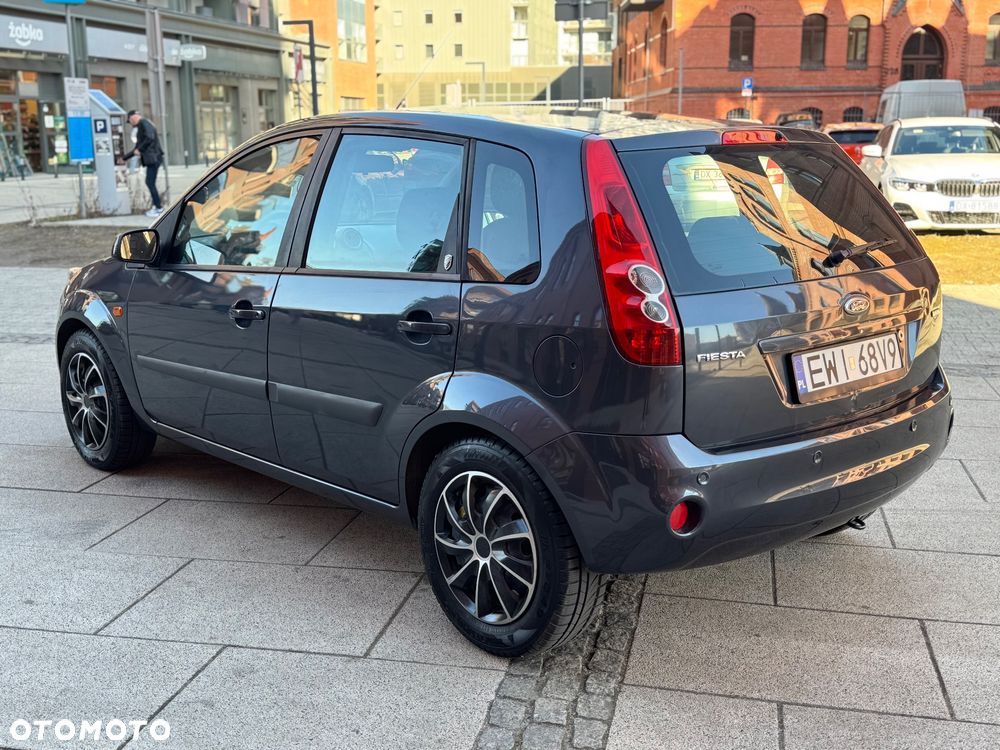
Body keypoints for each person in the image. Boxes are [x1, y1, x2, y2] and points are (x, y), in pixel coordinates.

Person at [127, 110, 165, 218]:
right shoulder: (143, 125)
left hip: (153, 158)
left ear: (133, 117)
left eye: (129, 120)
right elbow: (137, 148)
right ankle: (157, 206)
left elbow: (149, 138)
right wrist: (124, 158)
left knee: (149, 182)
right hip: (152, 158)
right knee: (150, 182)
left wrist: (140, 149)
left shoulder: (144, 123)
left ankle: (158, 208)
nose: (130, 123)